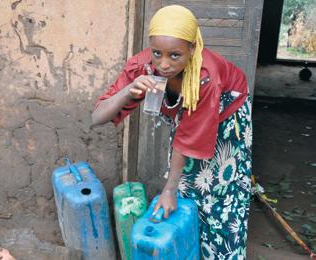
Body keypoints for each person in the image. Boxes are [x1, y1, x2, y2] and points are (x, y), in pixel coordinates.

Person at [92, 5, 252, 259]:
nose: (164, 64)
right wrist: (129, 89)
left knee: (219, 190)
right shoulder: (143, 67)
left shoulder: (205, 77)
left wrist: (168, 190)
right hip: (189, 120)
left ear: (192, 48)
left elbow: (186, 141)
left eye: (175, 56)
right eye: (157, 53)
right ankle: (188, 245)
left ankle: (222, 251)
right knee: (186, 186)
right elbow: (98, 116)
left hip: (227, 117)